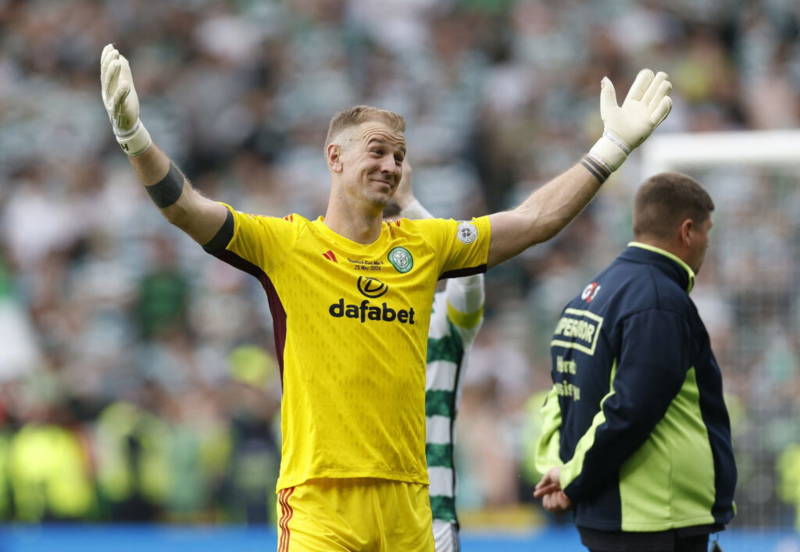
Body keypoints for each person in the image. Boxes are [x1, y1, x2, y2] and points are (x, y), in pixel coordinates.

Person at [100, 42, 672, 550]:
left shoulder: (424, 246)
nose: (391, 165)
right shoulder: (285, 244)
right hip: (321, 501)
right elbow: (185, 208)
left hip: (406, 502)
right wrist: (135, 138)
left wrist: (612, 146)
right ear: (335, 157)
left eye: (399, 156)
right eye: (377, 151)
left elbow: (534, 219)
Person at [533, 173, 737, 552]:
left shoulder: (590, 294)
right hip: (653, 520)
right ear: (687, 231)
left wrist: (559, 470)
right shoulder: (660, 302)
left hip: (616, 516)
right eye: (708, 231)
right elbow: (630, 410)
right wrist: (572, 479)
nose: (708, 244)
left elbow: (559, 396)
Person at [387, 164, 484, 552]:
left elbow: (470, 271)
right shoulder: (349, 315)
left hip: (431, 522)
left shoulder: (444, 320)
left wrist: (408, 205)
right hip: (355, 516)